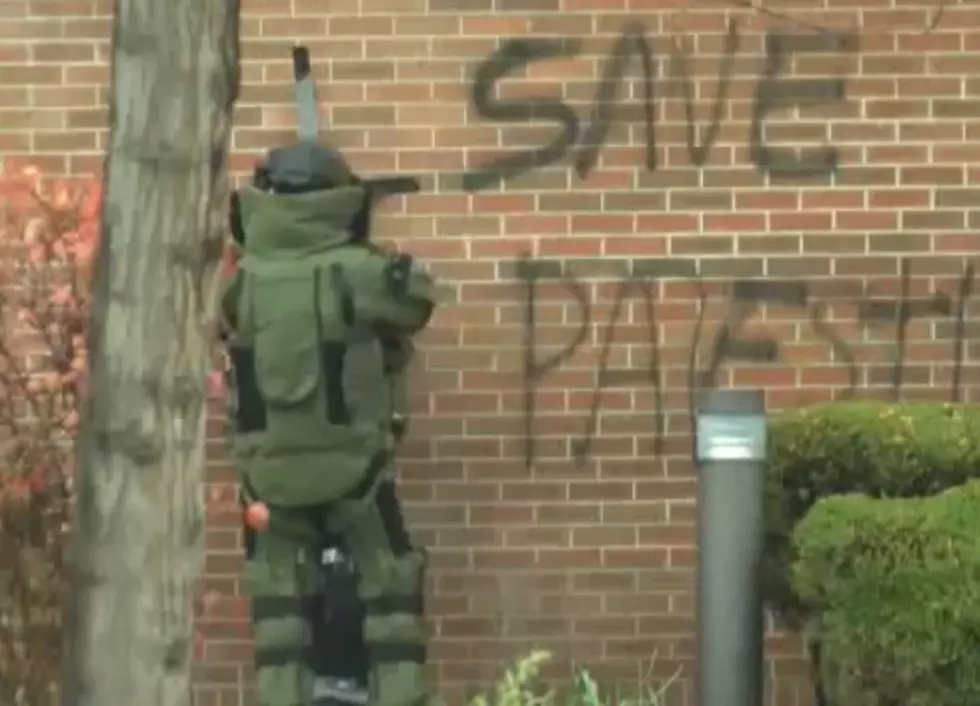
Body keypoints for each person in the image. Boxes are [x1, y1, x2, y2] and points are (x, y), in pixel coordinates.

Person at [221, 140, 441, 706]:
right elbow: (416, 300)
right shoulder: (361, 272)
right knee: (390, 599)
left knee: (277, 622)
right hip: (356, 476)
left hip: (268, 482)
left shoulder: (240, 281)